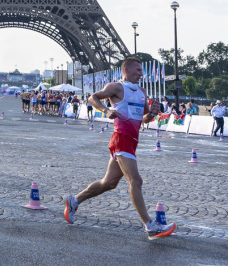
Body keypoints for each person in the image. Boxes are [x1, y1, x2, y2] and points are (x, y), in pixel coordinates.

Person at [62, 57, 176, 240]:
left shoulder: (141, 91)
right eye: (138, 70)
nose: (141, 73)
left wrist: (153, 113)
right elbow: (92, 97)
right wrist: (106, 111)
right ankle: (150, 226)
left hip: (132, 141)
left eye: (141, 71)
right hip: (121, 139)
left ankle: (74, 200)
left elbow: (144, 119)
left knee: (109, 183)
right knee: (136, 181)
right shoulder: (116, 87)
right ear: (126, 70)